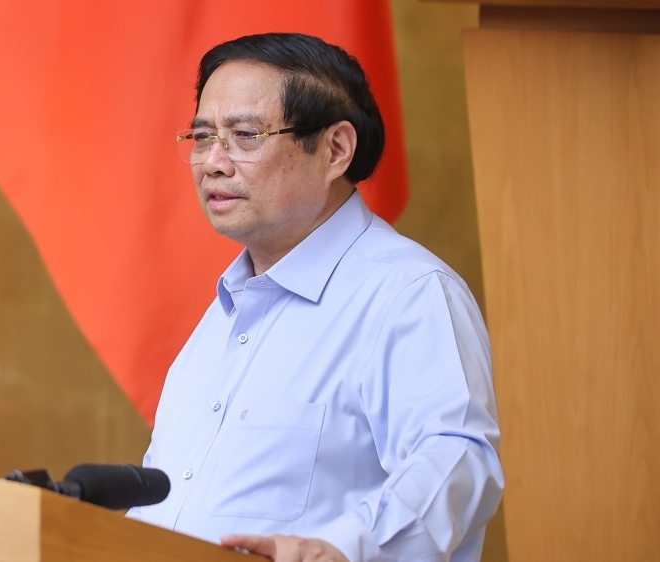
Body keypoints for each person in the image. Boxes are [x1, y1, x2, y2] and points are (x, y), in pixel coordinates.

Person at [126, 33, 503, 562]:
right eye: (203, 136)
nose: (212, 161)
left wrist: (341, 549)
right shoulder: (224, 314)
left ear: (336, 150)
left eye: (245, 136)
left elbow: (457, 460)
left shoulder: (407, 295)